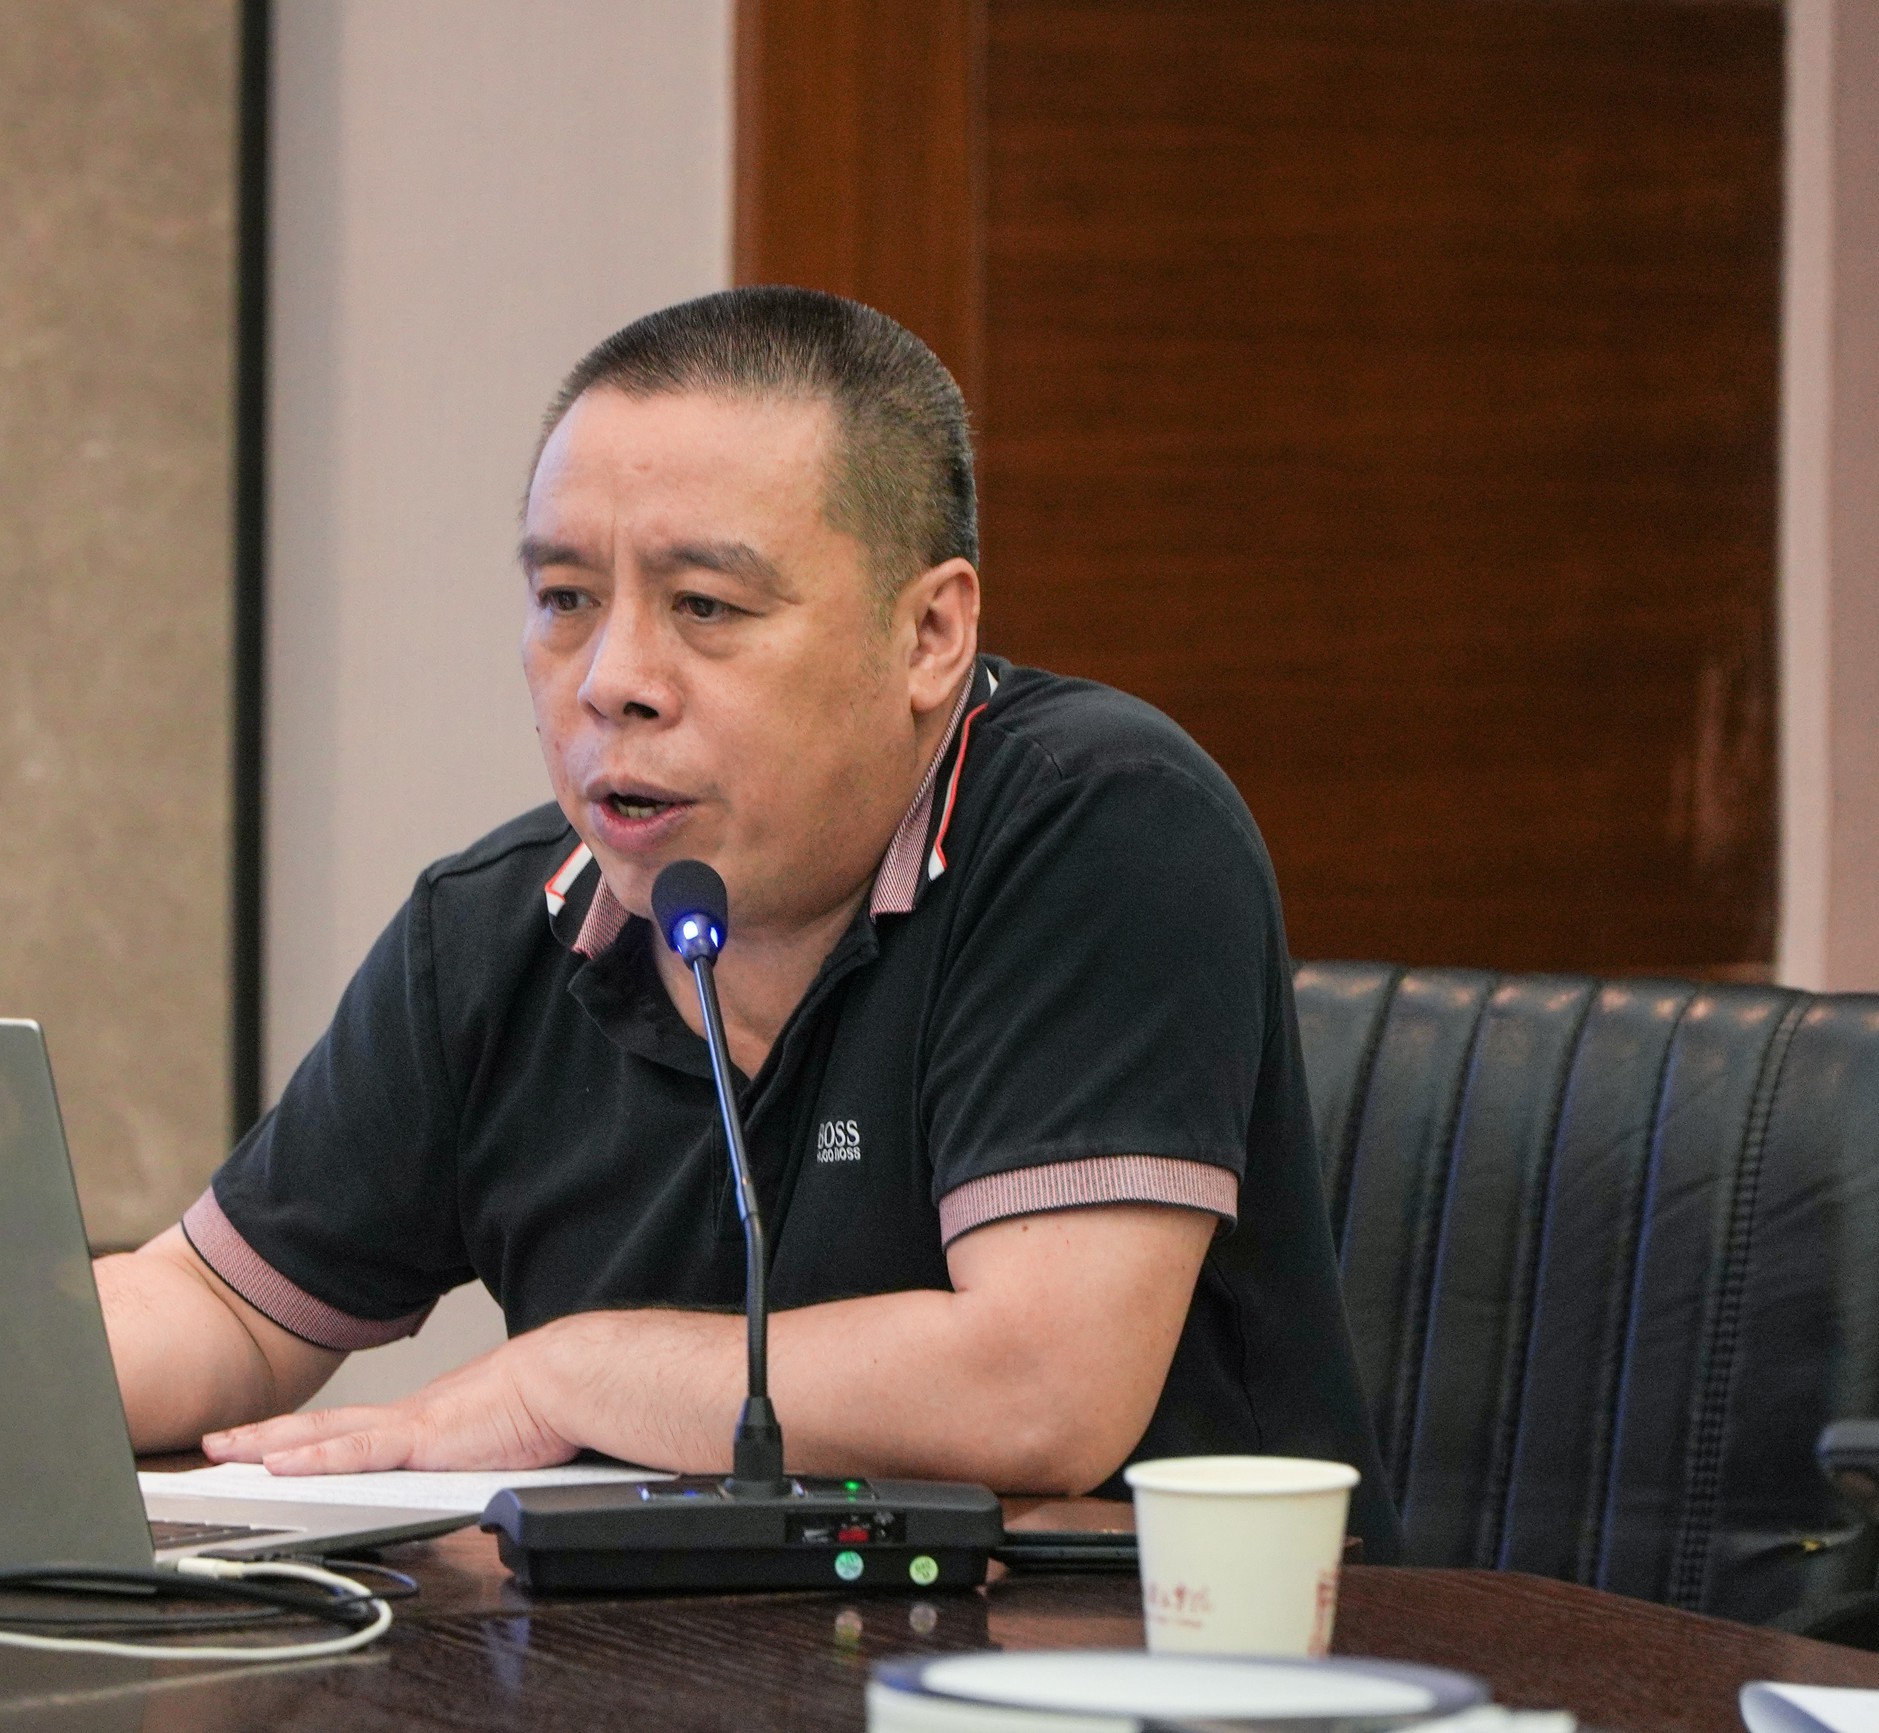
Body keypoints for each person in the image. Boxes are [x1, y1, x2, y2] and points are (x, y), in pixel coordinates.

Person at [92, 286, 1398, 1551]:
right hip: (673, 1662)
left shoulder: (1103, 823)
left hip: (1135, 1658)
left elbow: (1041, 1391)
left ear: (930, 633)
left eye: (705, 607)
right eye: (565, 600)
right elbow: (221, 1307)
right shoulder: (498, 928)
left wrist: (566, 1377)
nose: (613, 681)